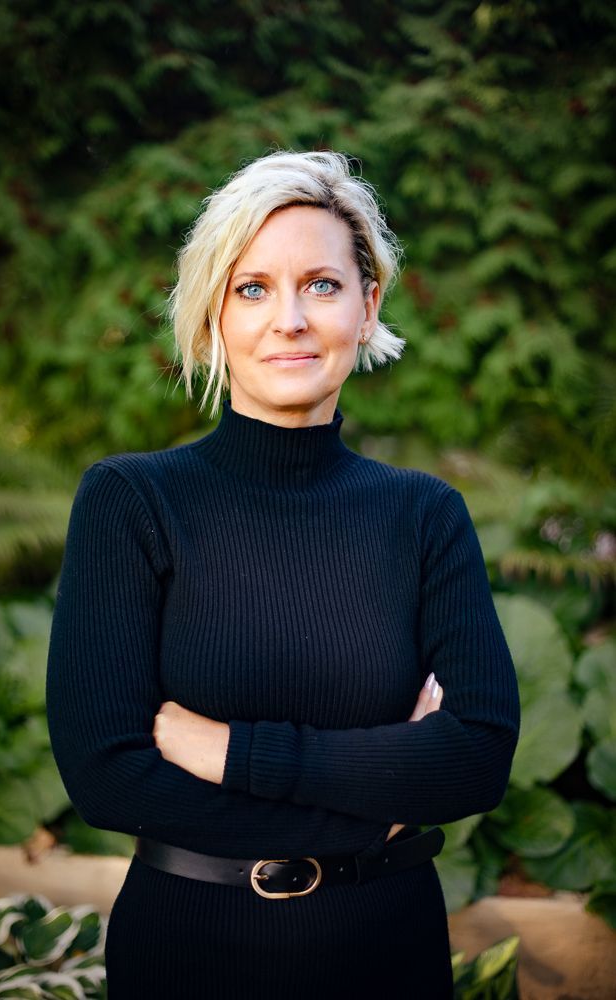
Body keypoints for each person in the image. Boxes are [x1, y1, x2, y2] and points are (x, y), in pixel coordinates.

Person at [46, 150, 520, 999]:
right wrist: (381, 797)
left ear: (368, 305)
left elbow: (476, 757)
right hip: (187, 952)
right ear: (211, 318)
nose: (290, 319)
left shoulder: (423, 515)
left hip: (386, 952)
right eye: (252, 288)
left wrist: (227, 751)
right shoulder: (131, 503)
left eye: (323, 285)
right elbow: (106, 775)